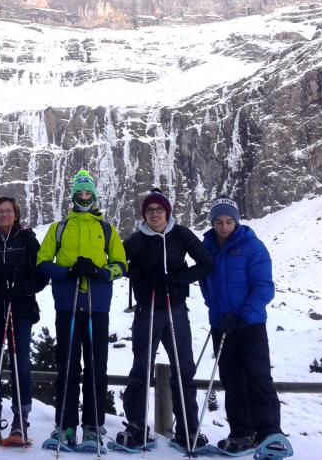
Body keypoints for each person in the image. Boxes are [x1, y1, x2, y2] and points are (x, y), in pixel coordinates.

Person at [116, 188, 214, 451]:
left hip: (176, 308)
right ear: (144, 214)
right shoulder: (136, 240)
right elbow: (119, 264)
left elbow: (206, 263)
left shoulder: (181, 235)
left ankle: (188, 430)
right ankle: (136, 427)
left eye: (159, 209)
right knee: (141, 369)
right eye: (150, 210)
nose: (155, 214)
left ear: (167, 212)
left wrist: (179, 278)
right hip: (147, 308)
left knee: (183, 369)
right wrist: (143, 277)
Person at [37, 170, 127, 449]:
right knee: (67, 366)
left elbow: (121, 265)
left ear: (94, 196)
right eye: (80, 193)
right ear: (73, 195)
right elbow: (42, 261)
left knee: (96, 367)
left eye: (88, 193)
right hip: (68, 304)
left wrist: (100, 272)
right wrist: (67, 272)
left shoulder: (107, 229)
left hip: (97, 307)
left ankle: (93, 426)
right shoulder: (58, 228)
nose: (84, 197)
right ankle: (64, 426)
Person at [200, 196, 282, 453]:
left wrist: (243, 315)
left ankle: (270, 433)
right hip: (222, 325)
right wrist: (215, 309)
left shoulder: (252, 246)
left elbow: (264, 287)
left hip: (250, 325)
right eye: (218, 221)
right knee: (232, 379)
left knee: (257, 378)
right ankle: (241, 433)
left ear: (236, 221)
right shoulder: (208, 248)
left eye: (228, 221)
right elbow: (205, 282)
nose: (224, 226)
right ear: (212, 223)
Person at [0, 196, 48, 445]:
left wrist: (22, 290)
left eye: (9, 211)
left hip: (21, 309)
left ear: (16, 214)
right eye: (0, 211)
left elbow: (41, 276)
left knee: (19, 364)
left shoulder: (27, 240)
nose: (4, 215)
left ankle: (20, 421)